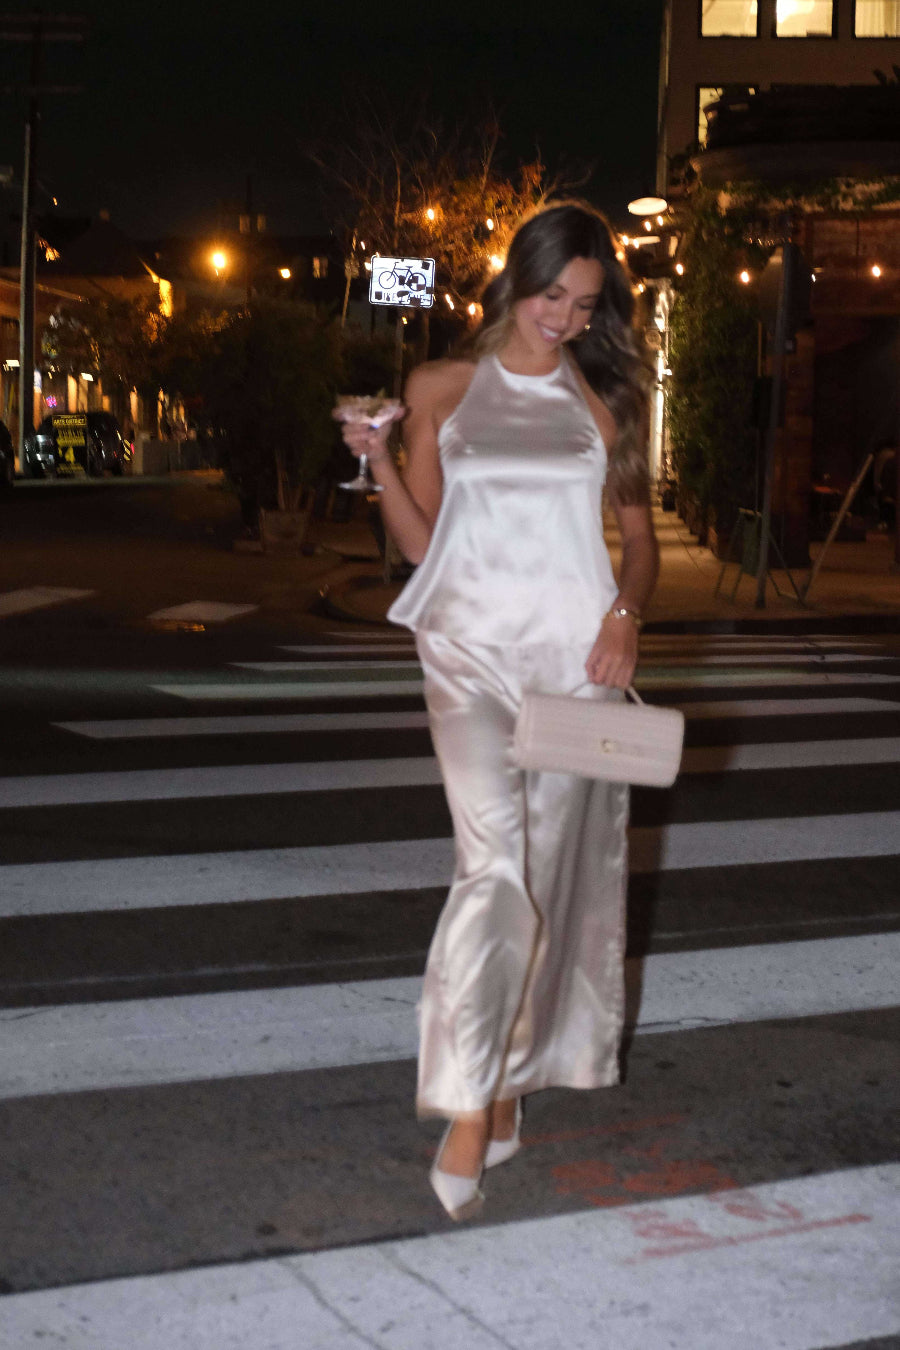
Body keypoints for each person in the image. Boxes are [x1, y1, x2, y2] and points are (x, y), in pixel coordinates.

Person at [338, 201, 659, 1221]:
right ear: (516, 281)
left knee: (552, 884)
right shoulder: (442, 387)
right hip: (468, 656)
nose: (562, 319)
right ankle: (471, 1105)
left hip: (573, 665)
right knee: (494, 869)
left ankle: (511, 1082)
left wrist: (626, 614)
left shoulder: (605, 399)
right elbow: (425, 548)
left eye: (584, 304)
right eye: (550, 295)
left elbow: (641, 546)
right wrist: (378, 460)